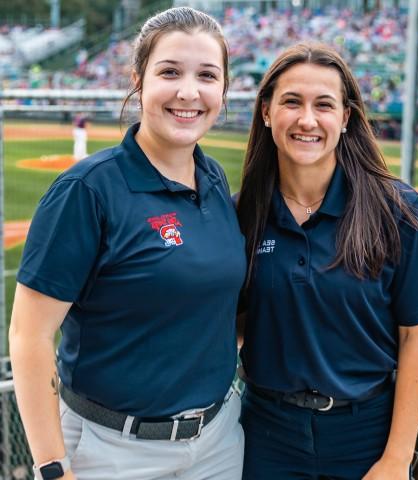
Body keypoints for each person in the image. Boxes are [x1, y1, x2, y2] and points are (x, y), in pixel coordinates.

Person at [9, 7, 246, 480]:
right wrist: (53, 468)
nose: (188, 91)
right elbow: (28, 335)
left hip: (218, 443)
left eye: (207, 75)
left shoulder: (215, 179)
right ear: (139, 80)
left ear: (224, 89)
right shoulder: (88, 189)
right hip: (111, 451)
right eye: (170, 72)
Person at [236, 43, 418, 480]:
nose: (307, 119)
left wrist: (396, 459)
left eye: (324, 104)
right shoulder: (243, 213)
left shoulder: (398, 210)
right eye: (291, 102)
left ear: (345, 118)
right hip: (266, 432)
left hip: (366, 434)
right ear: (266, 112)